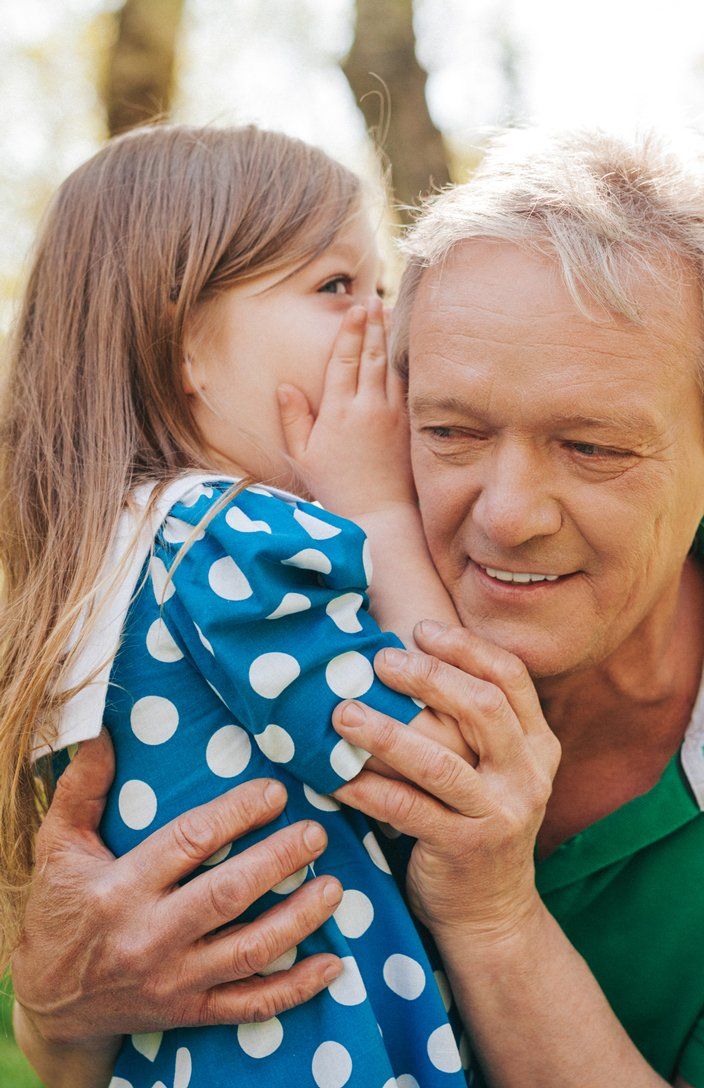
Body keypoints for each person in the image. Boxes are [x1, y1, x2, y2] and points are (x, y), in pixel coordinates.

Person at [13, 128, 704, 1088]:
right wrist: (61, 1020)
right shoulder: (291, 580)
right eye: (449, 430)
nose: (510, 517)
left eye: (592, 448)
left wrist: (492, 911)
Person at [0, 124, 481, 1088]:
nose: (381, 325)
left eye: (378, 288)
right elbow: (449, 756)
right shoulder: (234, 538)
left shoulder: (123, 543)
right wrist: (378, 504)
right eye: (336, 287)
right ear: (186, 347)